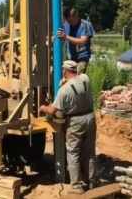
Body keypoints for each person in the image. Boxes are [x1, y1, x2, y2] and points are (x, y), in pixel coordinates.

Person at [39, 60, 96, 194]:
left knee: (73, 152)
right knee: (89, 153)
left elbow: (53, 111)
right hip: (90, 118)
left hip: (75, 122)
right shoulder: (85, 79)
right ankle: (92, 182)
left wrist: (43, 107)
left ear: (64, 71)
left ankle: (76, 186)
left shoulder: (64, 90)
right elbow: (78, 81)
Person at [57, 8, 95, 74]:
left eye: (71, 21)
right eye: (68, 21)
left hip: (82, 57)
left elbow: (83, 41)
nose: (70, 23)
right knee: (67, 75)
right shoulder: (66, 25)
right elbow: (62, 37)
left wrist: (66, 37)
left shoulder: (85, 25)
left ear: (76, 16)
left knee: (78, 75)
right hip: (71, 57)